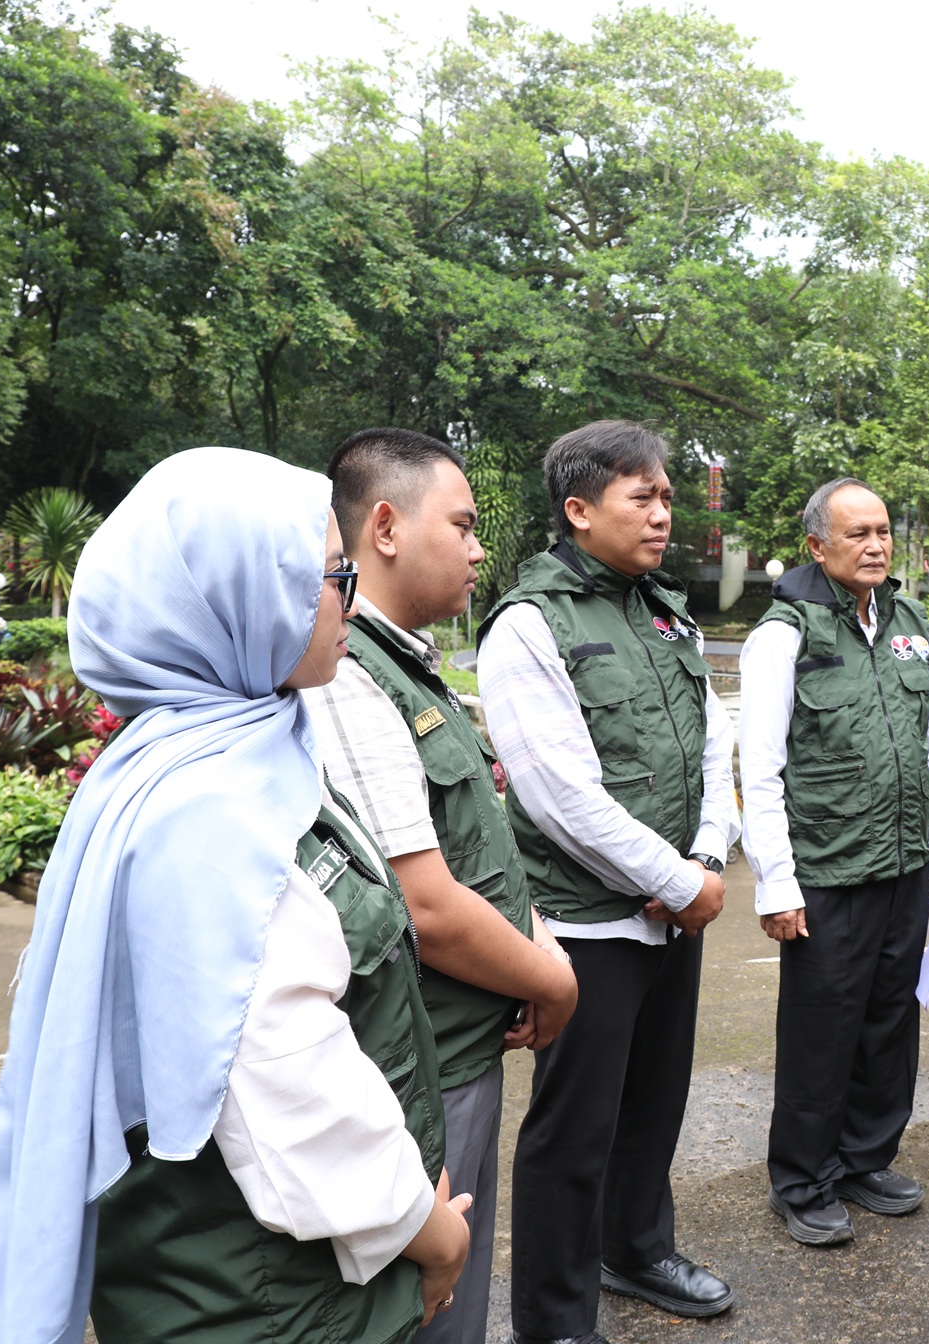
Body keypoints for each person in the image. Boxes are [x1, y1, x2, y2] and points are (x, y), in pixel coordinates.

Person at [0, 447, 474, 1344]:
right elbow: (292, 1091)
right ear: (237, 599)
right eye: (329, 575)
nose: (347, 600)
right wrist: (435, 1233)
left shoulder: (229, 751)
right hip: (266, 1297)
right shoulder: (211, 812)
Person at [304, 427, 579, 1344]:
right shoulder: (350, 677)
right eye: (461, 526)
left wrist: (534, 941)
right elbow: (424, 906)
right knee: (433, 1306)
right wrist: (554, 980)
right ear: (385, 527)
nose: (478, 549)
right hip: (421, 1068)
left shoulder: (407, 666)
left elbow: (478, 848)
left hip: (463, 1045)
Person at [476, 420, 739, 1344]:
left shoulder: (667, 612)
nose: (664, 513)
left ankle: (636, 1249)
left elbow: (712, 743)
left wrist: (707, 862)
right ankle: (554, 1320)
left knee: (655, 1105)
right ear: (580, 509)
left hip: (676, 911)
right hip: (587, 925)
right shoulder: (528, 624)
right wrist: (675, 877)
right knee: (574, 1131)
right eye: (644, 496)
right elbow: (557, 794)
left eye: (667, 496)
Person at [739, 477, 929, 1247]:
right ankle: (803, 1180)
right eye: (857, 534)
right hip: (827, 870)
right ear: (817, 546)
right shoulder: (784, 634)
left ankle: (865, 1159)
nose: (876, 546)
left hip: (903, 865)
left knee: (889, 1020)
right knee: (822, 1031)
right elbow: (761, 767)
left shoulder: (908, 622)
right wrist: (776, 882)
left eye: (883, 531)